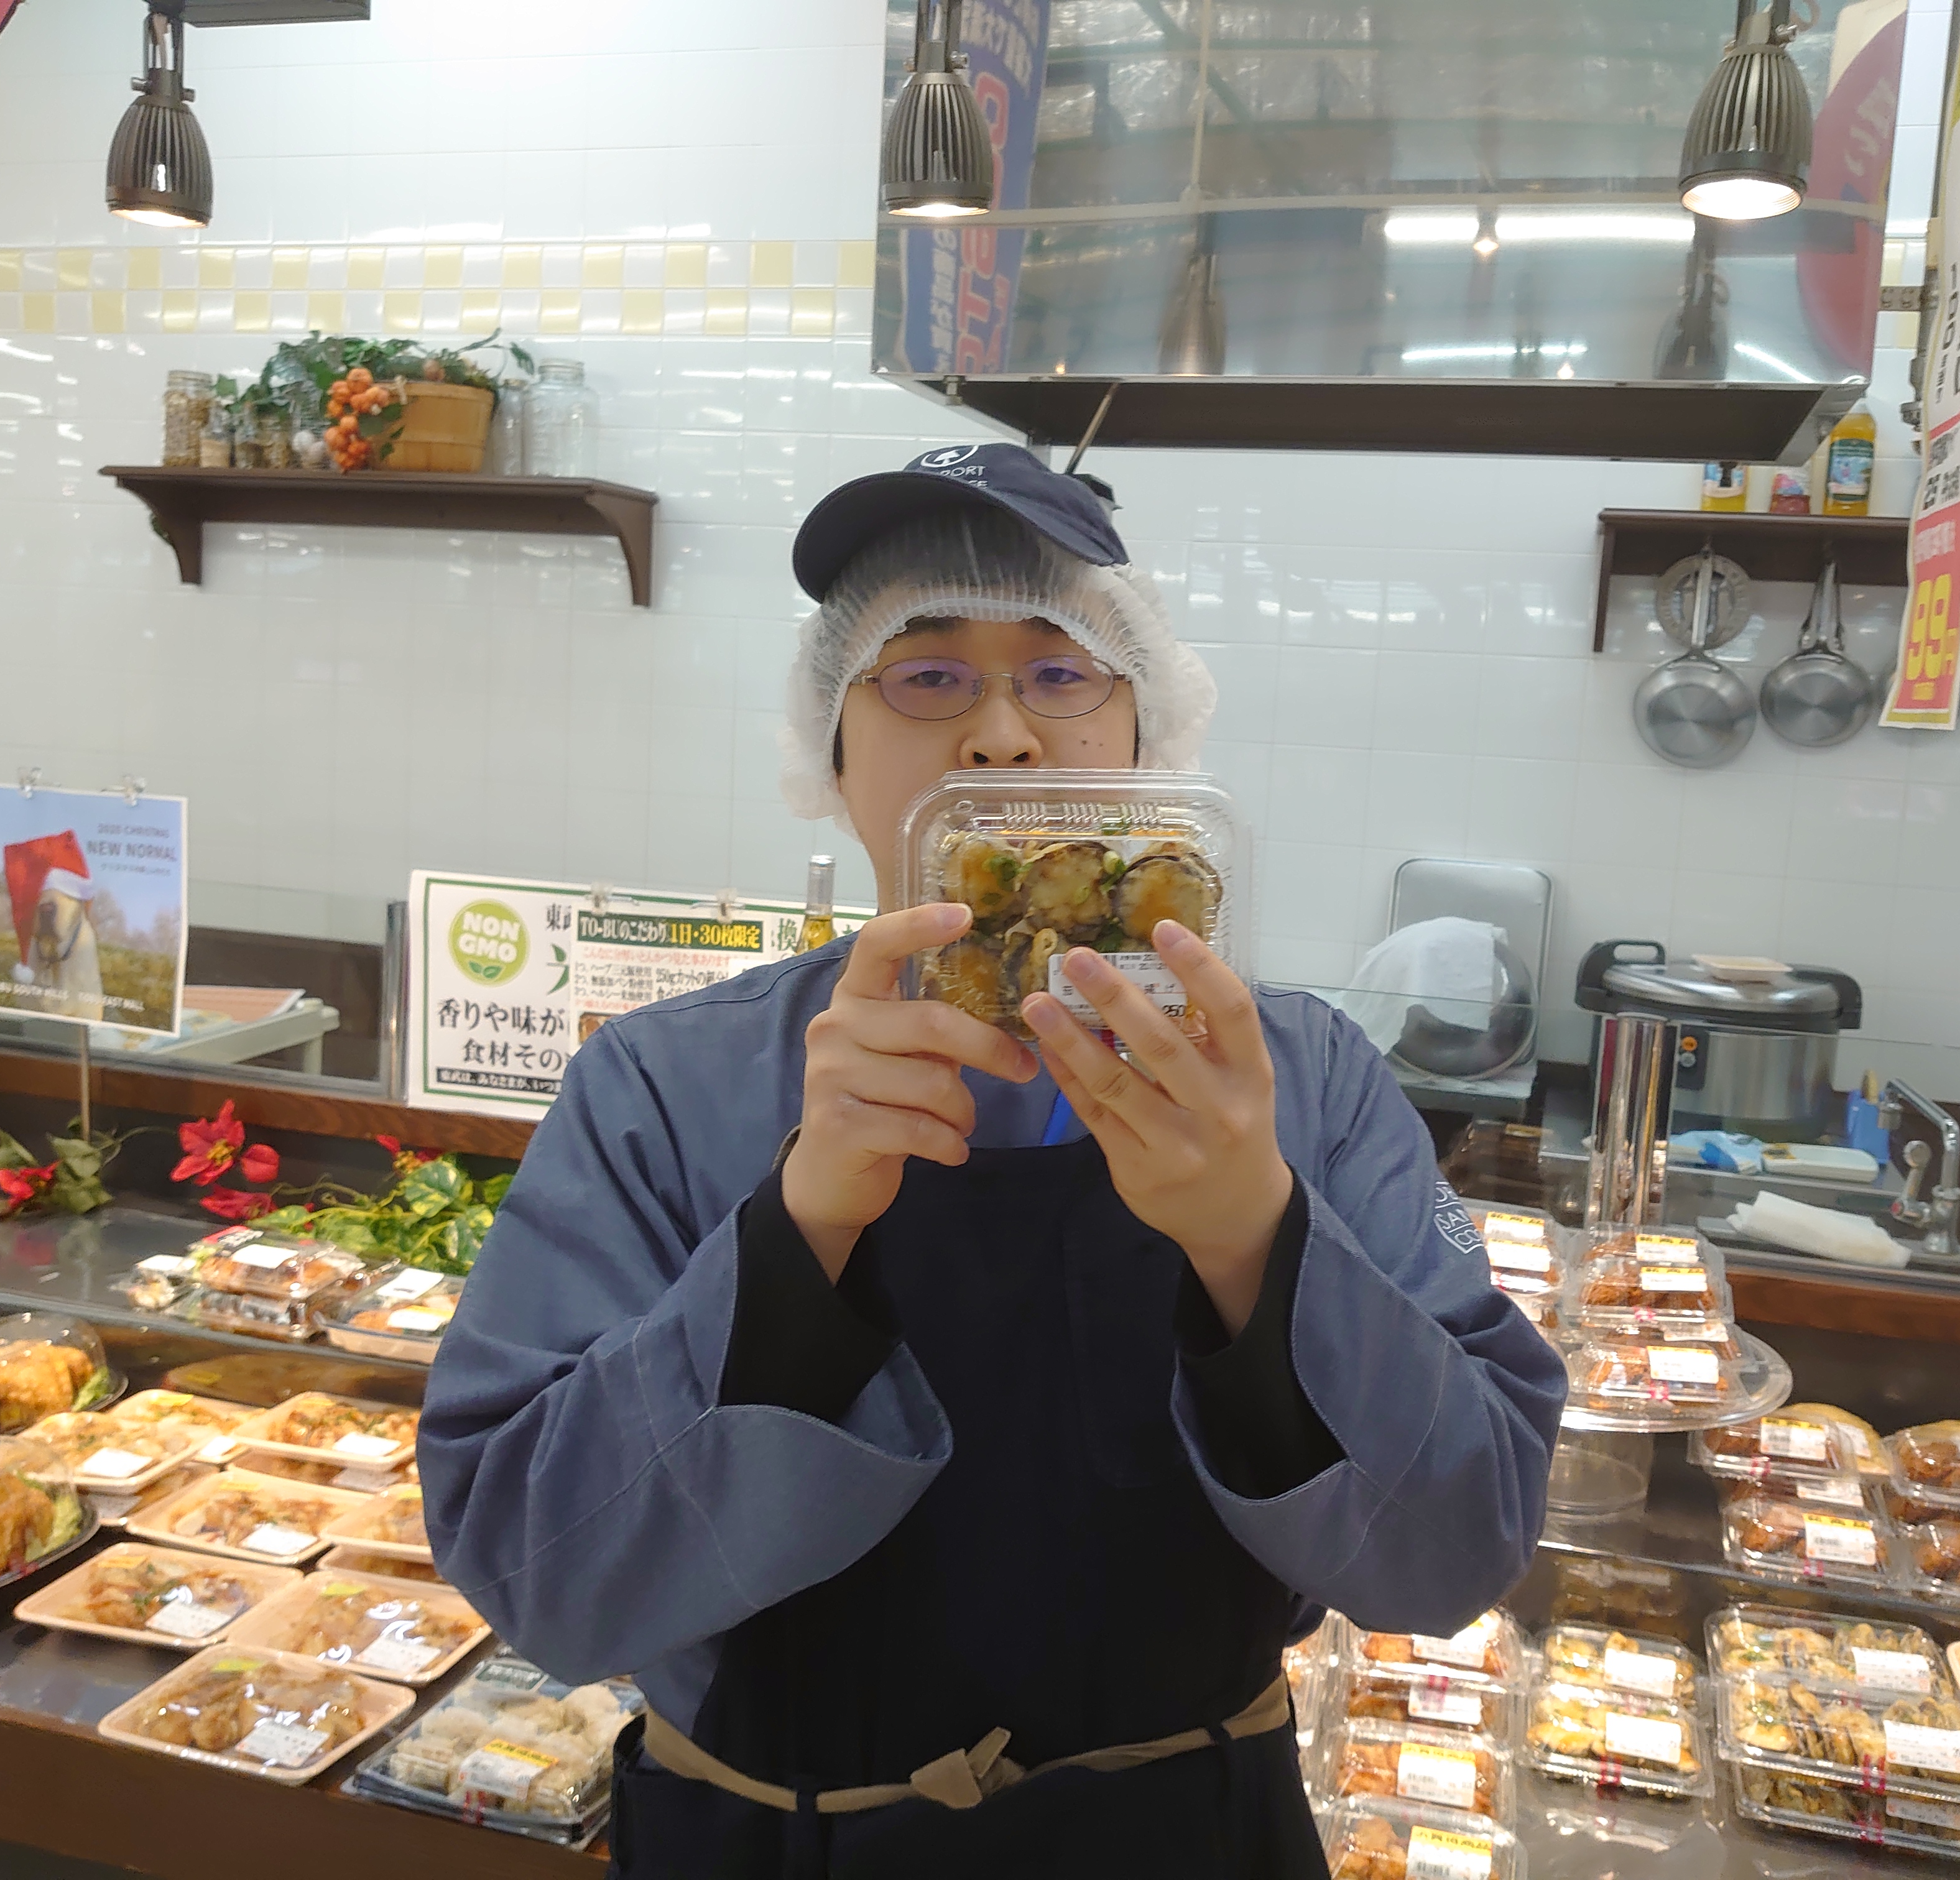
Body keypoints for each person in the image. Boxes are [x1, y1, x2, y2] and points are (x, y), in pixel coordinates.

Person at [422, 442, 1566, 1878]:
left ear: (1148, 736)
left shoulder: (1306, 1085)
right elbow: (542, 1580)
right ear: (831, 754)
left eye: (1063, 671)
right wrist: (796, 1239)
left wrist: (1255, 1240)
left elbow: (1461, 1548)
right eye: (927, 675)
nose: (1004, 737)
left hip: (1189, 1837)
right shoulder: (663, 1088)